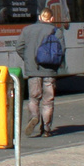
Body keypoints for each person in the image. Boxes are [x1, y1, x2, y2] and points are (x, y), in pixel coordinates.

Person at [14, 8, 62, 136]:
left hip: (33, 70)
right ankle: (46, 129)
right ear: (51, 19)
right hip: (49, 70)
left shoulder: (27, 30)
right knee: (48, 101)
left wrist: (28, 60)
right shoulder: (56, 31)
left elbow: (19, 47)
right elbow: (61, 51)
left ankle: (34, 117)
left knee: (34, 98)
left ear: (40, 17)